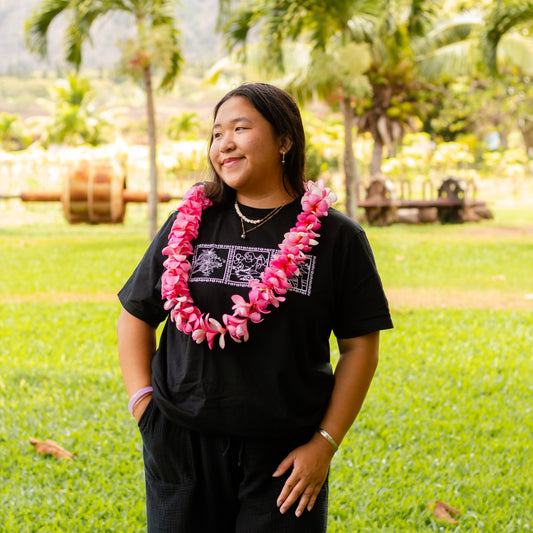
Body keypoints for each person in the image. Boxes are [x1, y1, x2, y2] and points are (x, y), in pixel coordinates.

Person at [117, 82, 393, 533]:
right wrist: (143, 405)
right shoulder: (190, 222)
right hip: (182, 445)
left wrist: (324, 443)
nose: (224, 143)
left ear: (285, 139)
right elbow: (135, 314)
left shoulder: (337, 238)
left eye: (240, 128)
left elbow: (360, 347)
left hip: (285, 456)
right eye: (216, 133)